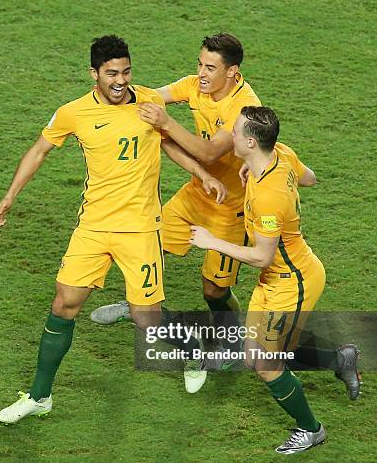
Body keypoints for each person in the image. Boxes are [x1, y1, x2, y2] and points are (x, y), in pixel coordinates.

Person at [0, 35, 226, 424]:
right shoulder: (74, 112)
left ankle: (192, 350)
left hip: (139, 229)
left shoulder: (150, 101)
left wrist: (203, 175)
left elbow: (170, 143)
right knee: (63, 304)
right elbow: (39, 150)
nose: (121, 80)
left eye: (126, 71)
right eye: (111, 73)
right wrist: (9, 196)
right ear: (94, 74)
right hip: (94, 226)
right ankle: (39, 396)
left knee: (145, 319)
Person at [91, 33, 261, 390]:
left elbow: (210, 153)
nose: (201, 73)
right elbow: (151, 97)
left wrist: (166, 124)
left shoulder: (243, 109)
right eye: (200, 63)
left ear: (233, 72)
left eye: (210, 68)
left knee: (214, 290)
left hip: (231, 208)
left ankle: (230, 340)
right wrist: (116, 92)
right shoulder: (194, 85)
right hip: (194, 195)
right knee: (146, 246)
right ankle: (137, 305)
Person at [189, 106, 356, 453]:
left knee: (266, 364)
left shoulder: (268, 198)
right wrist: (256, 170)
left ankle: (312, 429)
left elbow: (260, 256)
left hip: (292, 281)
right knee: (256, 356)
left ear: (251, 141)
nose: (229, 136)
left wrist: (211, 242)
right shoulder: (280, 154)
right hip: (275, 279)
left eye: (234, 132)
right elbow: (309, 177)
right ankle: (339, 359)